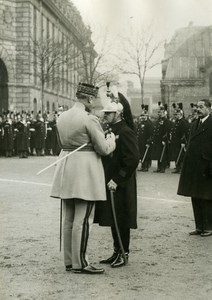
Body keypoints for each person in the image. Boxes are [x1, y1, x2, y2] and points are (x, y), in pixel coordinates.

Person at [50, 82, 116, 274]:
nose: (94, 103)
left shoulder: (62, 116)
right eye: (94, 99)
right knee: (83, 218)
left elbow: (62, 143)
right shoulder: (89, 119)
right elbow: (103, 149)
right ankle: (82, 263)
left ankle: (70, 262)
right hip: (85, 172)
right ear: (88, 98)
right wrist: (111, 141)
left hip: (65, 168)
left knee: (69, 218)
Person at [94, 91, 140, 268]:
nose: (105, 115)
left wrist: (118, 179)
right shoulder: (112, 130)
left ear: (118, 114)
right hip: (111, 180)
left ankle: (124, 252)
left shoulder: (126, 131)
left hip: (122, 182)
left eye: (108, 113)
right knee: (113, 217)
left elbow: (132, 159)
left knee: (122, 218)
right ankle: (116, 251)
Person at [177, 98, 212, 237]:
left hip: (207, 167)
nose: (198, 109)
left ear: (209, 109)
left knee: (207, 198)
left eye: (201, 107)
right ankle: (199, 226)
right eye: (197, 106)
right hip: (194, 167)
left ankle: (209, 227)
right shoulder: (194, 123)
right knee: (196, 196)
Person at [152, 103, 171, 173]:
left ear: (164, 113)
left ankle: (163, 167)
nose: (159, 114)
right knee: (158, 153)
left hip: (163, 140)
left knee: (163, 154)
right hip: (157, 140)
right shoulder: (158, 120)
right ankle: (159, 167)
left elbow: (167, 131)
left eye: (160, 112)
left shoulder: (166, 121)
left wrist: (164, 139)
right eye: (158, 112)